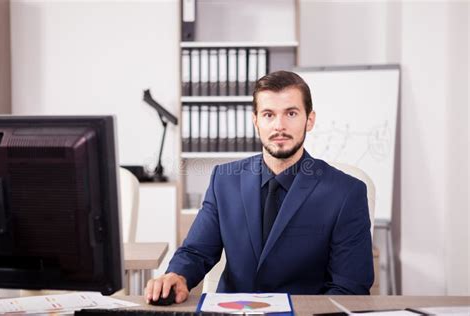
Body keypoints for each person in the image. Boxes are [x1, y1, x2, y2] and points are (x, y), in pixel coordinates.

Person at [145, 70, 374, 304]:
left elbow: (349, 288)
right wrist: (177, 275)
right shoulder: (224, 180)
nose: (279, 126)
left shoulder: (346, 192)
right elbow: (197, 251)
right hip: (233, 312)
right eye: (268, 114)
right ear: (255, 120)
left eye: (291, 113)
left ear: (310, 119)